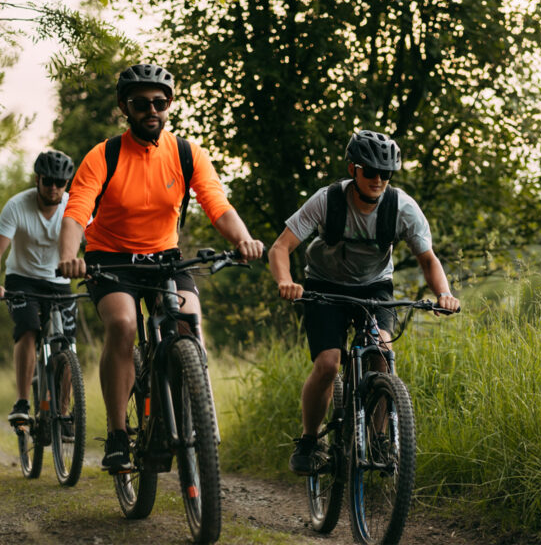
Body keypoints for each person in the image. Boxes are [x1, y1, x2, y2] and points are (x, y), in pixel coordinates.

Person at [57, 63, 263, 474]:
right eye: (140, 103)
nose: (151, 109)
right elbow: (77, 211)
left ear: (169, 104)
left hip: (165, 257)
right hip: (111, 258)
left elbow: (216, 204)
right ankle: (118, 434)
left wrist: (242, 239)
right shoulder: (104, 155)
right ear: (124, 107)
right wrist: (69, 255)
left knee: (188, 318)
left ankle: (190, 405)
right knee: (123, 325)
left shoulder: (187, 153)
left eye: (160, 102)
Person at [268, 129, 460, 475]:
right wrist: (286, 281)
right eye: (370, 171)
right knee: (328, 363)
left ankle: (379, 439)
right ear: (353, 169)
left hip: (374, 288)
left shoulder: (401, 207)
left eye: (385, 173)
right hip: (324, 286)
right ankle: (310, 441)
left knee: (382, 354)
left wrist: (443, 294)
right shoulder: (327, 201)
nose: (378, 179)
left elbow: (428, 259)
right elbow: (280, 247)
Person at [0, 150, 76, 427]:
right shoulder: (17, 205)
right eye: (48, 181)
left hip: (59, 281)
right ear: (37, 179)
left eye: (60, 182)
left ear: (67, 183)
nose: (53, 188)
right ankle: (22, 401)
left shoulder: (74, 206)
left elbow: (94, 242)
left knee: (68, 343)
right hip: (22, 278)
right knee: (28, 330)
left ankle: (64, 412)